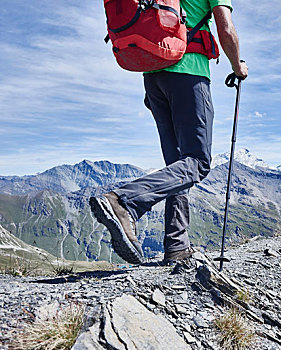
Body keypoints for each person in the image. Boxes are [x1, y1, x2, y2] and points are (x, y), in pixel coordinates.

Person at [90, 0, 248, 265]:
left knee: (178, 166)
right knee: (197, 162)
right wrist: (237, 66)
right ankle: (124, 202)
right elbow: (225, 27)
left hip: (153, 77)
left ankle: (177, 245)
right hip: (188, 74)